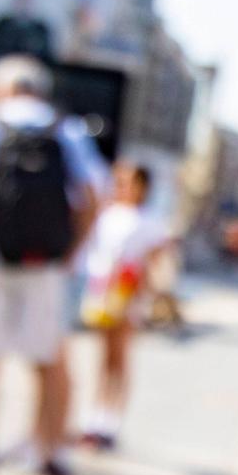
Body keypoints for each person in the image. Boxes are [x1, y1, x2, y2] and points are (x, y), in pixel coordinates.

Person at [0, 55, 107, 475]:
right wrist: (70, 252)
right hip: (46, 263)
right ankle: (49, 454)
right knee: (48, 361)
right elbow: (92, 196)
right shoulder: (65, 129)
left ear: (3, 88)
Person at [78, 160, 171, 450]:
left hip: (129, 294)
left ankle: (111, 421)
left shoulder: (150, 221)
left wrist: (151, 291)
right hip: (102, 291)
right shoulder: (107, 215)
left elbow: (156, 261)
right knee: (104, 358)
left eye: (127, 181)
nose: (121, 187)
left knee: (119, 358)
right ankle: (95, 417)